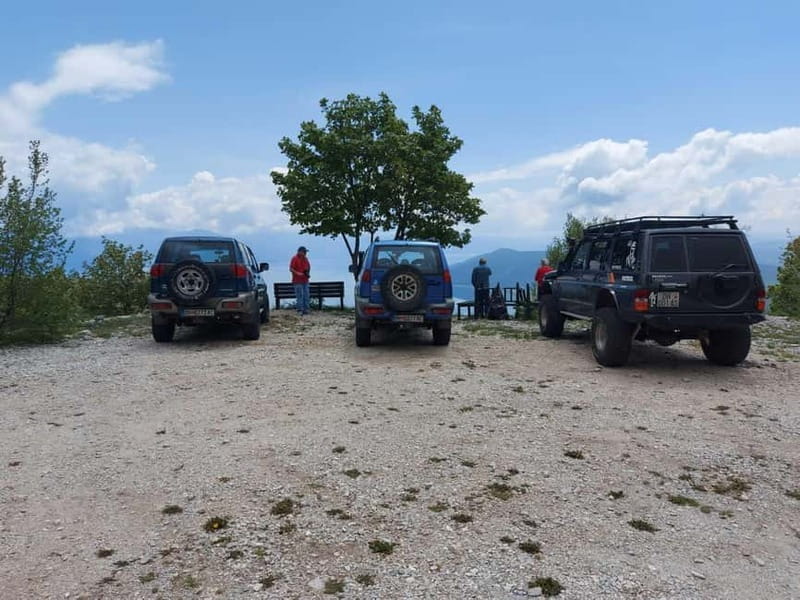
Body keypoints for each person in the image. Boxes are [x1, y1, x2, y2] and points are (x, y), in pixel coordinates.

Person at [289, 246, 311, 315]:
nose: (305, 253)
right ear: (300, 252)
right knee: (300, 295)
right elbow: (291, 269)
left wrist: (307, 273)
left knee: (306, 295)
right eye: (304, 252)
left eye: (305, 252)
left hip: (305, 280)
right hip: (297, 281)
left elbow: (308, 267)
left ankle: (306, 309)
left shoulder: (305, 259)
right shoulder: (294, 258)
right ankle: (300, 310)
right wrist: (298, 273)